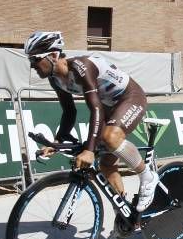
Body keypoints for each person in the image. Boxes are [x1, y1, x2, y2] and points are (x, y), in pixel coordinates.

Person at [24, 31, 159, 212]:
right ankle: (126, 219)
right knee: (106, 165)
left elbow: (96, 109)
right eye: (30, 60)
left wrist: (89, 151)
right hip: (109, 106)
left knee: (110, 137)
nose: (32, 65)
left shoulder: (82, 67)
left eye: (35, 59)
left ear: (53, 55)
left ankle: (146, 176)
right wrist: (57, 142)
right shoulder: (56, 80)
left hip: (130, 97)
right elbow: (69, 112)